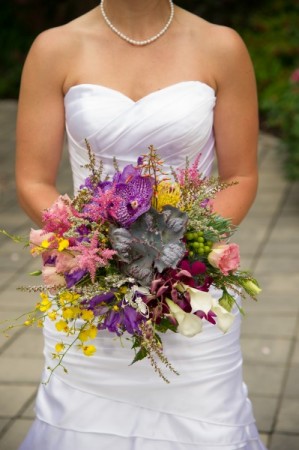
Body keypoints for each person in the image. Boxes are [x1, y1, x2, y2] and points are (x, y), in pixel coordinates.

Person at [16, 1, 267, 449]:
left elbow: (240, 176)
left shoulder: (221, 46)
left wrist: (185, 249)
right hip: (91, 284)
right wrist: (91, 246)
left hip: (187, 288)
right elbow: (33, 179)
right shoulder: (54, 48)